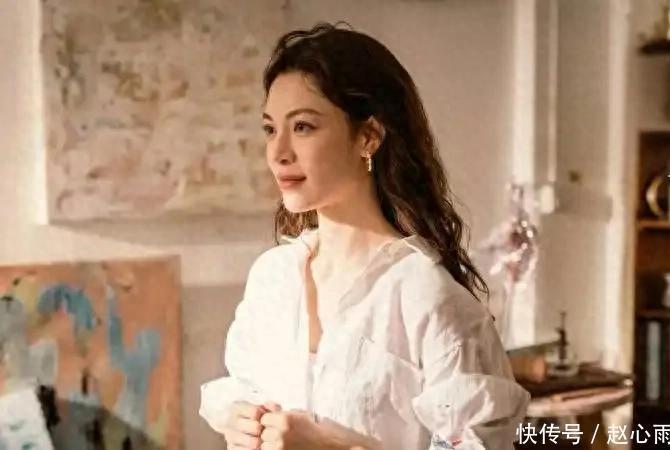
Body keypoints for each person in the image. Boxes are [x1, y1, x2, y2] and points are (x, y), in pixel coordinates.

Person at [199, 22, 530, 450]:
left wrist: (330, 448)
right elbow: (242, 388)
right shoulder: (272, 277)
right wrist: (239, 421)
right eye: (270, 129)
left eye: (303, 127)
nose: (278, 152)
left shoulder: (422, 294)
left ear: (368, 137)